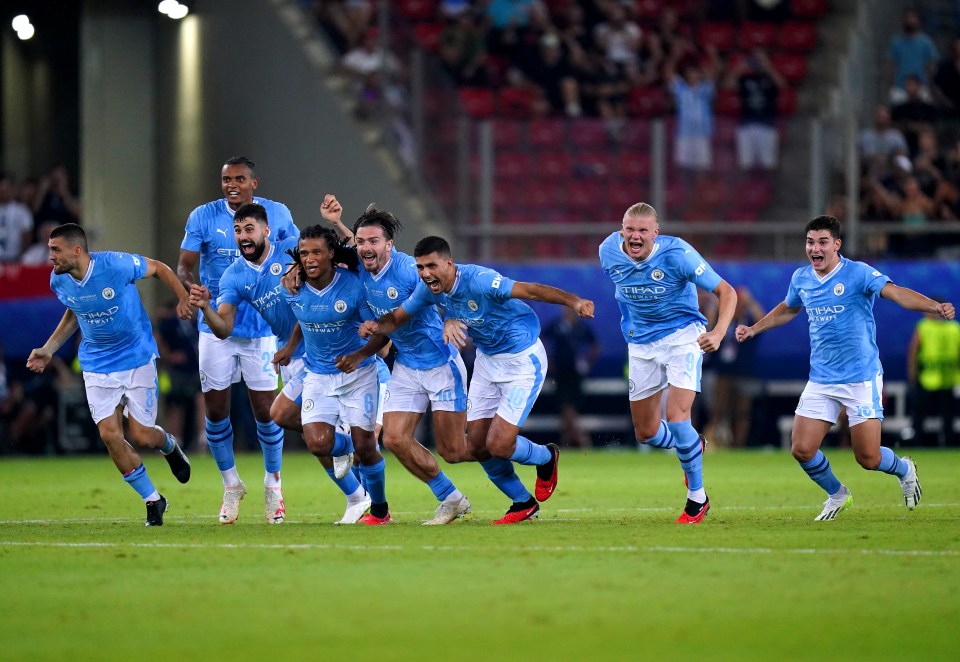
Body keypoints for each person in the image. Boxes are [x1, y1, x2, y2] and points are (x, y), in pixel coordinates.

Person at [362, 236, 593, 524]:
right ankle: (522, 503)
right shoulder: (429, 290)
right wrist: (376, 325)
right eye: (420, 267)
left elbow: (531, 290)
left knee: (499, 445)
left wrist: (574, 301)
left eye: (431, 266)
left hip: (522, 361)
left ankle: (546, 457)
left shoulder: (481, 280)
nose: (425, 273)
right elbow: (398, 317)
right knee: (479, 445)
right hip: (487, 362)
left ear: (449, 263)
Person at [736, 215, 954, 520]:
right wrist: (754, 329)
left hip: (861, 378)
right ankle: (838, 494)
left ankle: (905, 468)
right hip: (822, 379)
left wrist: (934, 306)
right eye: (810, 242)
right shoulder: (802, 278)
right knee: (801, 448)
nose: (815, 248)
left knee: (868, 457)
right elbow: (788, 308)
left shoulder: (858, 273)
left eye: (823, 242)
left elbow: (896, 293)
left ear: (837, 245)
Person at [189, 202, 371, 524]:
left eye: (249, 229)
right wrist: (205, 307)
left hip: (328, 350)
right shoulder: (234, 275)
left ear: (266, 231)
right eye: (237, 230)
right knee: (313, 436)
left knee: (285, 416)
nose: (243, 236)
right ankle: (356, 493)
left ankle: (367, 495)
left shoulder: (293, 249)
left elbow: (349, 253)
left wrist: (338, 223)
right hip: (293, 358)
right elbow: (224, 329)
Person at [26, 223, 192, 525]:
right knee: (110, 436)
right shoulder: (58, 281)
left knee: (142, 435)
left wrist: (182, 297)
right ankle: (153, 499)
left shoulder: (115, 264)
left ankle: (168, 444)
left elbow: (159, 268)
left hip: (137, 357)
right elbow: (74, 310)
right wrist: (49, 348)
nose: (50, 256)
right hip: (96, 365)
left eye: (55, 249)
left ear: (77, 251)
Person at [321, 197, 474, 525]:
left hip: (440, 363)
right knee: (392, 439)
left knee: (454, 450)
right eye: (361, 242)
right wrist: (337, 222)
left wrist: (450, 318)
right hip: (406, 365)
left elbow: (445, 285)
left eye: (374, 241)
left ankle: (515, 450)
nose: (365, 247)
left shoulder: (407, 268)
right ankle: (451, 498)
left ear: (389, 246)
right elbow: (348, 244)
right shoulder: (361, 264)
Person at [177, 156, 299, 525]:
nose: (231, 184)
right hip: (216, 322)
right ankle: (231, 485)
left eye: (239, 179)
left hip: (263, 326)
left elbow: (298, 254)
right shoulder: (203, 216)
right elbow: (184, 263)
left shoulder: (276, 214)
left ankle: (273, 485)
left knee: (266, 411)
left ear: (254, 183)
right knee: (215, 410)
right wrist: (191, 288)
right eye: (226, 179)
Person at [599, 202, 737, 524]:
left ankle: (697, 498)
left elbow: (726, 292)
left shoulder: (677, 254)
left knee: (677, 416)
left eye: (643, 231)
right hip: (640, 343)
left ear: (655, 233)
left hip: (682, 337)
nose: (635, 236)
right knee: (646, 432)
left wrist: (718, 332)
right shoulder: (608, 251)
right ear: (622, 230)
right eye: (629, 229)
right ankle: (693, 445)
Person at [282, 225, 391, 524]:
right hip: (318, 375)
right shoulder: (292, 285)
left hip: (359, 375)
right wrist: (291, 347)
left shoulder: (355, 286)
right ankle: (351, 470)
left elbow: (382, 332)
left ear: (331, 254)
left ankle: (380, 510)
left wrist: (358, 355)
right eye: (304, 254)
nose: (309, 259)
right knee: (318, 443)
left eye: (317, 252)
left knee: (367, 448)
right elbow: (303, 317)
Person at [541, 306, 600, 448]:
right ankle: (580, 439)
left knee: (570, 406)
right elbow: (541, 340)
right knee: (565, 406)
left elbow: (595, 345)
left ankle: (568, 441)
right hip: (560, 373)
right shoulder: (556, 325)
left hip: (576, 374)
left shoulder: (581, 328)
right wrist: (548, 361)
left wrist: (587, 362)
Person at [905, 305, 960, 447]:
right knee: (942, 414)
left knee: (942, 415)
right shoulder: (954, 328)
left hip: (936, 377)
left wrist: (912, 372)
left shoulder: (924, 327)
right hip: (937, 377)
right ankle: (942, 442)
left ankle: (922, 442)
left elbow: (913, 350)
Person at [726, 48, 787, 173]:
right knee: (745, 163)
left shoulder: (770, 79)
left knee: (769, 164)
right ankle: (746, 190)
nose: (758, 62)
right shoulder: (745, 79)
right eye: (756, 59)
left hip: (767, 125)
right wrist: (740, 68)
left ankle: (767, 190)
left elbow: (783, 85)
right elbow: (728, 85)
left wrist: (768, 67)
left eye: (761, 59)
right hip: (746, 125)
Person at [887, 10, 938, 104]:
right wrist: (892, 84)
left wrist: (928, 84)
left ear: (918, 21)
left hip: (921, 88)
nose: (910, 21)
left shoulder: (926, 42)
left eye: (913, 18)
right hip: (900, 88)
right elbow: (891, 65)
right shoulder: (896, 42)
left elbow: (930, 65)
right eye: (908, 19)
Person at [0, 171, 34, 262]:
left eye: (6, 188)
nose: (3, 191)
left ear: (12, 189)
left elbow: (27, 236)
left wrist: (22, 257)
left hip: (15, 259)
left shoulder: (22, 211)